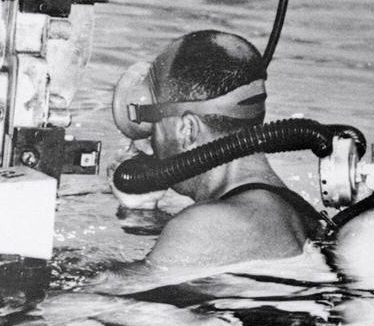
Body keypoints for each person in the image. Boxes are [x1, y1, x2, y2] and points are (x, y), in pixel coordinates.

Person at [106, 29, 326, 277]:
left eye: (155, 129)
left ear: (187, 129)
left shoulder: (207, 226)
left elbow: (100, 304)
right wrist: (141, 210)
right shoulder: (289, 209)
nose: (151, 144)